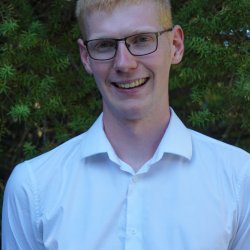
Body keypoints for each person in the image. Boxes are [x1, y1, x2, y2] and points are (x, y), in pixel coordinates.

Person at [2, 0, 250, 249]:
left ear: (175, 45)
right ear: (86, 57)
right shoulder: (33, 187)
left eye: (142, 39)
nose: (124, 63)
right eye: (104, 45)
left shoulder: (239, 178)